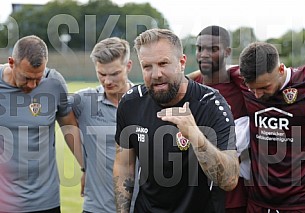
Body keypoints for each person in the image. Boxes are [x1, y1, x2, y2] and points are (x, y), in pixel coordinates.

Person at [113, 28, 239, 213]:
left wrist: (196, 136)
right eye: (147, 66)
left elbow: (229, 180)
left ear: (181, 63)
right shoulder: (131, 103)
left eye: (163, 63)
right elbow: (124, 165)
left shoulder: (212, 104)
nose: (156, 74)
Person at [0, 35, 82, 213]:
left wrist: (85, 168)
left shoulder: (54, 82)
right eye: (27, 78)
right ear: (12, 62)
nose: (32, 85)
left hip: (46, 201)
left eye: (38, 78)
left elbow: (70, 128)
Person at [237, 41, 305, 212]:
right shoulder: (242, 80)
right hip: (258, 201)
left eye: (264, 87)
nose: (258, 95)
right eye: (252, 89)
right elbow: (211, 72)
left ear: (281, 69)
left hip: (301, 201)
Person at [71, 37, 136, 213]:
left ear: (128, 66)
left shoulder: (145, 101)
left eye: (114, 74)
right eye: (102, 74)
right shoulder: (84, 101)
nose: (107, 81)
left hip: (140, 207)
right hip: (96, 208)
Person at [191, 25, 250, 213]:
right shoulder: (188, 88)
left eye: (213, 49)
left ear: (227, 52)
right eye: (200, 49)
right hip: (194, 195)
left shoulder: (244, 87)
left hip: (233, 197)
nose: (204, 55)